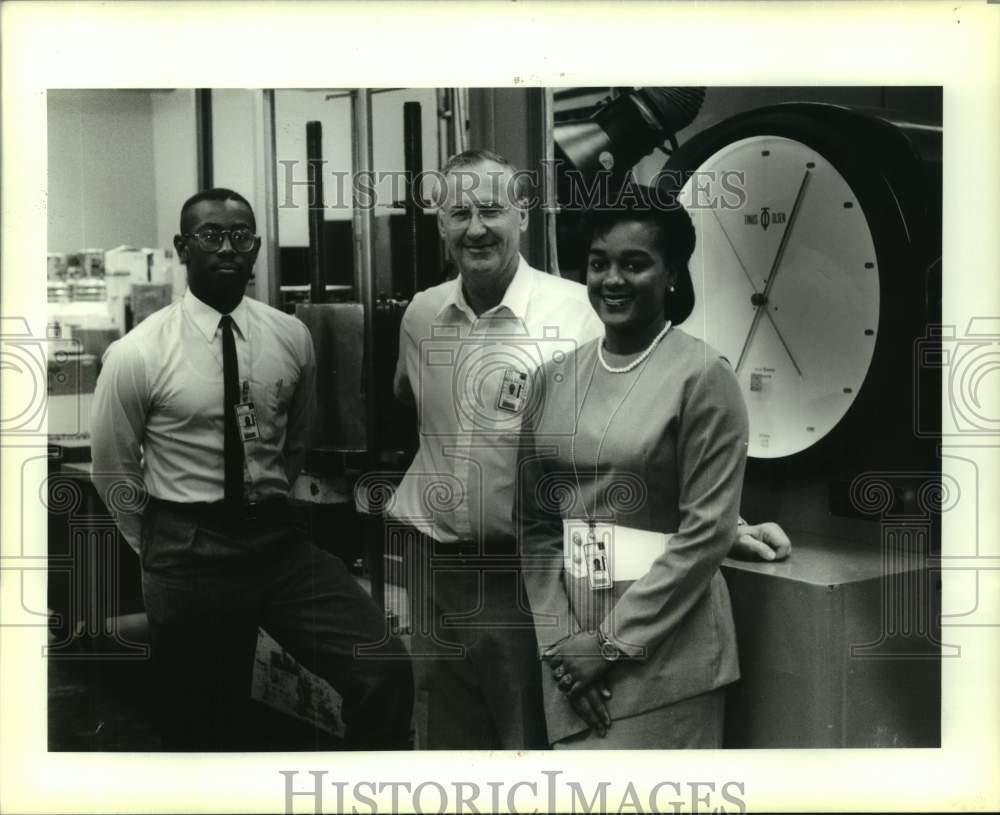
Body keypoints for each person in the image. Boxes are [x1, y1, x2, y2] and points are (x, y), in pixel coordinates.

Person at [391, 150, 789, 750]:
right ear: (439, 223)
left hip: (605, 616)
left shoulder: (618, 333)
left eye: (492, 208)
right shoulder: (427, 318)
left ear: (522, 215)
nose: (476, 226)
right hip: (499, 587)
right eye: (459, 212)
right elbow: (533, 508)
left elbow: (672, 491)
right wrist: (562, 641)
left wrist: (726, 526)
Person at [90, 187, 412, 750]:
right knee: (202, 726)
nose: (227, 248)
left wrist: (266, 507)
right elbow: (113, 470)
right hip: (187, 549)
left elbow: (293, 443)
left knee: (382, 666)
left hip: (277, 545)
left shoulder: (290, 337)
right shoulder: (138, 353)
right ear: (182, 247)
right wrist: (163, 547)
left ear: (257, 247)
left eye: (241, 236)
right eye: (210, 235)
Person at [516, 188, 748, 748]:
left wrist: (607, 644)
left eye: (635, 263)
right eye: (599, 263)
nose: (612, 279)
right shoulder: (552, 378)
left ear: (672, 273)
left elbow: (705, 536)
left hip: (667, 659)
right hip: (569, 654)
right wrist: (561, 643)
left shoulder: (703, 377)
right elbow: (536, 526)